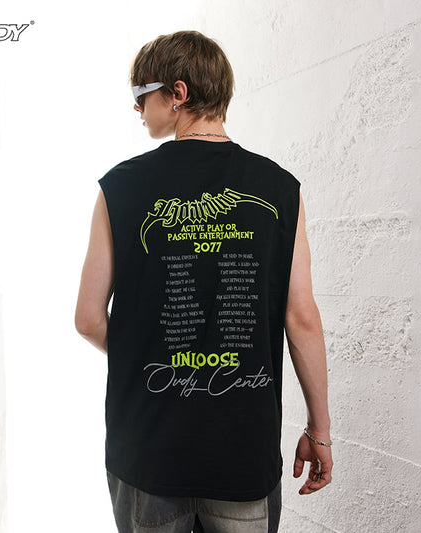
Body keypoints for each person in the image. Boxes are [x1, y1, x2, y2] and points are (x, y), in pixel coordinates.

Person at [75, 30, 333, 533]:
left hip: (147, 450)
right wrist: (319, 431)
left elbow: (88, 319)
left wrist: (144, 355)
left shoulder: (119, 187)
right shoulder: (280, 189)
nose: (136, 108)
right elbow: (301, 317)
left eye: (141, 95)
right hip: (242, 452)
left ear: (178, 93)